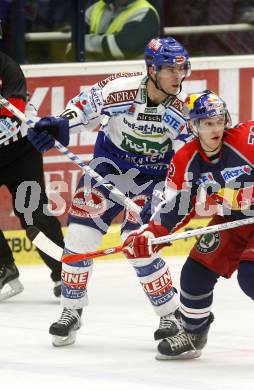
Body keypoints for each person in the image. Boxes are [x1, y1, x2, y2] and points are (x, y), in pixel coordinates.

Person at [123, 90, 254, 367]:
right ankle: (194, 333)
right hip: (233, 219)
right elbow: (174, 205)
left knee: (253, 275)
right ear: (193, 126)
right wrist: (152, 233)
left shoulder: (249, 139)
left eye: (220, 121)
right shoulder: (186, 160)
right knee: (195, 272)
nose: (216, 129)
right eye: (208, 123)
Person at [27, 36, 191, 347]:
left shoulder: (183, 110)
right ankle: (71, 311)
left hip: (152, 180)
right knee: (79, 239)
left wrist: (168, 203)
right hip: (107, 172)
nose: (177, 77)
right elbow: (83, 107)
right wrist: (59, 125)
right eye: (170, 70)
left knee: (138, 244)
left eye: (182, 70)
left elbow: (186, 162)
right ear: (151, 69)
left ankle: (170, 314)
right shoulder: (121, 89)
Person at [0, 50, 63, 300]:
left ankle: (64, 274)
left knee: (34, 215)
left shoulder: (8, 69)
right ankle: (4, 269)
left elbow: (10, 121)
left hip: (19, 153)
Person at [69, 0, 160, 61]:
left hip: (131, 81)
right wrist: (106, 42)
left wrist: (85, 44)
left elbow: (121, 48)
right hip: (93, 76)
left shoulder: (145, 12)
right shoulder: (96, 8)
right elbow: (72, 48)